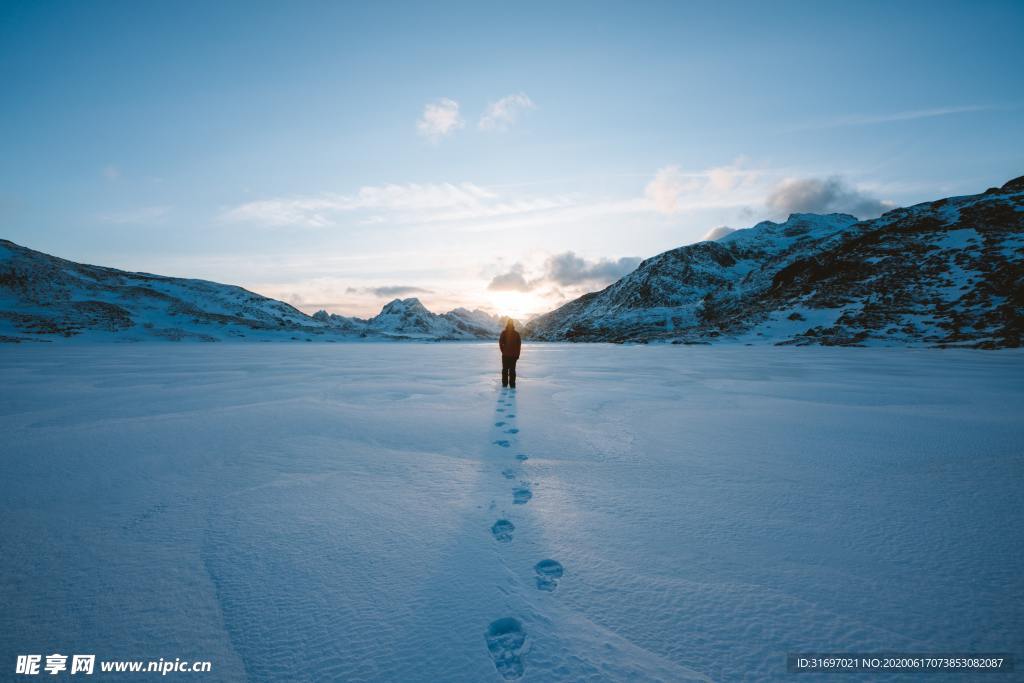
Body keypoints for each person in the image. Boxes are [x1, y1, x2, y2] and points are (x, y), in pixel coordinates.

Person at [498, 318, 522, 388]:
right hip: (513, 356)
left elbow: (500, 343)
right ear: (513, 324)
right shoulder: (516, 334)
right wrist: (517, 354)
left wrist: (503, 351)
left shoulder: (504, 333)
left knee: (505, 370)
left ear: (507, 323)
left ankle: (504, 384)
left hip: (505, 355)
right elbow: (519, 345)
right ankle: (512, 385)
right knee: (512, 370)